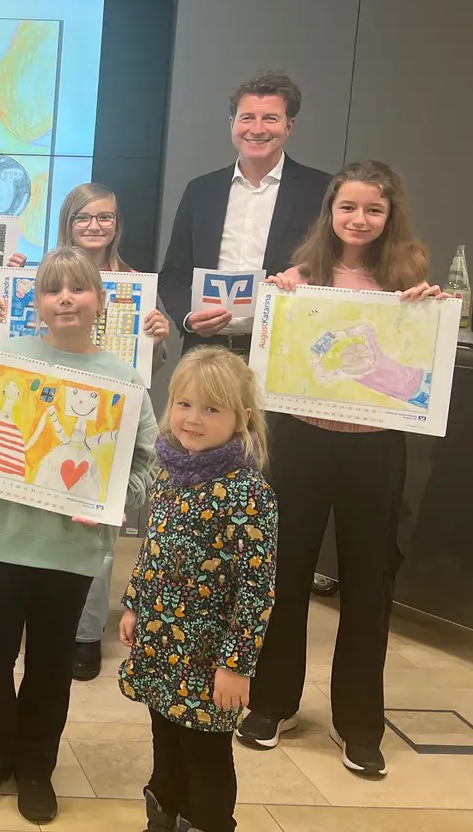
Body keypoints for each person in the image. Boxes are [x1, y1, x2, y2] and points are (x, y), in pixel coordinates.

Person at [238, 160, 445, 778]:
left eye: (373, 210)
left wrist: (429, 313)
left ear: (390, 216)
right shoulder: (301, 278)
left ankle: (360, 724)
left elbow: (418, 362)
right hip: (301, 441)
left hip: (376, 447)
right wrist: (276, 303)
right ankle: (272, 703)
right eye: (348, 207)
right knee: (286, 570)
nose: (359, 219)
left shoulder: (411, 283)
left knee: (368, 582)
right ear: (330, 212)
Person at [0, 246, 157, 824]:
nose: (66, 298)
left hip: (73, 551)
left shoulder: (124, 379)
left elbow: (146, 466)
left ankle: (37, 765)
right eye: (53, 290)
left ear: (101, 302)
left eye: (78, 289)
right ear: (35, 304)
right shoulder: (6, 360)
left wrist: (112, 501)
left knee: (50, 662)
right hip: (2, 541)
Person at [117, 347, 278, 832]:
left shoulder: (249, 494)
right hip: (160, 639)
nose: (193, 419)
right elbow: (154, 548)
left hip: (209, 656)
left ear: (241, 418)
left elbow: (257, 590)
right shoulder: (170, 471)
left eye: (212, 409)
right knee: (164, 739)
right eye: (184, 404)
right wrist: (133, 604)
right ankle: (162, 817)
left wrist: (236, 665)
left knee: (205, 754)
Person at [41, 182, 174, 680]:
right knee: (48, 524)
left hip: (106, 419)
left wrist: (160, 338)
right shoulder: (46, 272)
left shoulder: (138, 283)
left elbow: (148, 367)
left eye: (106, 218)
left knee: (96, 525)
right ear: (67, 221)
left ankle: (86, 633)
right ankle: (49, 620)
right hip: (50, 410)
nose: (95, 226)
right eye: (84, 217)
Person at [158, 71, 333, 356]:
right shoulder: (201, 191)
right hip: (204, 351)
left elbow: (333, 269)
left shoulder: (321, 191)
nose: (257, 129)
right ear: (232, 124)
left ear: (289, 126)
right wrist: (189, 318)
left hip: (283, 352)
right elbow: (173, 275)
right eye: (247, 118)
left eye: (270, 118)